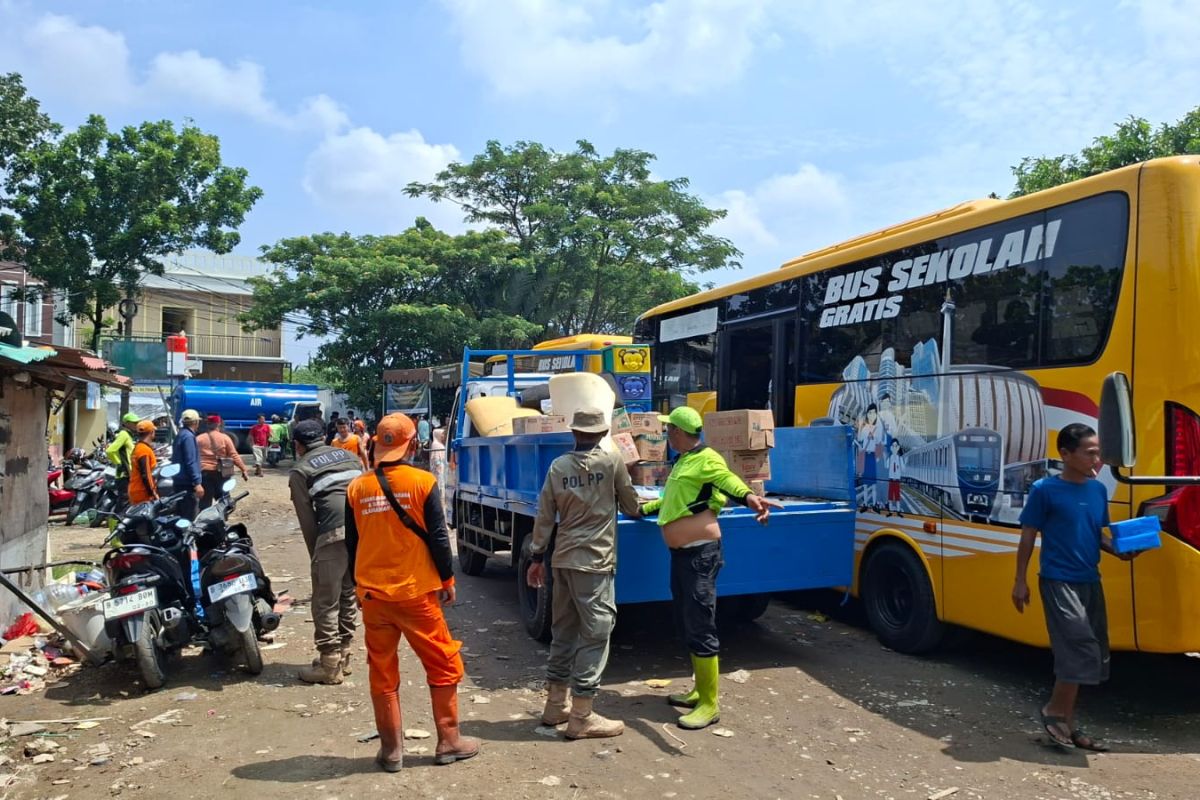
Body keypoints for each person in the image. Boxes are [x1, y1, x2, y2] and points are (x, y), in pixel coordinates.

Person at [344, 413, 479, 771]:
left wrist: (357, 588)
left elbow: (352, 544)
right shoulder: (423, 482)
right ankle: (449, 741)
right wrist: (448, 581)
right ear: (413, 444)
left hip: (373, 598)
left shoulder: (357, 488)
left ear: (376, 443)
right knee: (443, 665)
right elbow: (438, 537)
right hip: (416, 594)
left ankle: (391, 751)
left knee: (382, 672)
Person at [638, 407, 780, 730]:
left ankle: (709, 704)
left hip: (700, 556)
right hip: (682, 557)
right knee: (685, 621)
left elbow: (728, 480)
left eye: (669, 429)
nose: (666, 434)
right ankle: (698, 690)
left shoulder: (707, 459)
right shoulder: (683, 462)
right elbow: (675, 501)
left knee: (701, 624)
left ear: (678, 432)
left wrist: (750, 498)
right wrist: (644, 508)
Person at [1013, 423, 1139, 751]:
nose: (1097, 459)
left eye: (1098, 452)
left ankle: (1068, 722)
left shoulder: (1097, 491)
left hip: (1089, 580)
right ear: (1066, 454)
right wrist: (1020, 580)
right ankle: (1054, 710)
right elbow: (1028, 536)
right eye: (1090, 452)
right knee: (1080, 646)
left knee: (1090, 651)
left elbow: (1098, 535)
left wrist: (1121, 552)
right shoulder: (1044, 490)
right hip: (1057, 580)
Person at [526, 408, 641, 739]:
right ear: (603, 433)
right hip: (594, 563)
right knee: (596, 633)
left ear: (573, 433)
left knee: (563, 630)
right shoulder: (611, 461)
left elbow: (545, 516)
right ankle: (581, 715)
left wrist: (536, 557)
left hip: (561, 561)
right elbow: (631, 504)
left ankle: (554, 706)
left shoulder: (558, 467)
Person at [289, 419, 363, 685]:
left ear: (297, 445)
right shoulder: (351, 458)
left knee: (324, 599)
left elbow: (307, 521)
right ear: (324, 436)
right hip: (361, 534)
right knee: (346, 593)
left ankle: (329, 665)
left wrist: (316, 559)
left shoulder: (301, 470)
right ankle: (345, 655)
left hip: (332, 533)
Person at [197, 415, 250, 510]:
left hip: (204, 473)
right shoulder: (225, 438)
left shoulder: (199, 439)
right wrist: (243, 469)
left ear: (207, 424)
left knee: (205, 502)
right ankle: (222, 520)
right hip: (221, 473)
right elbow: (234, 455)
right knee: (224, 501)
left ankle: (203, 522)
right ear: (219, 424)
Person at [173, 409, 205, 520]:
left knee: (181, 515)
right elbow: (190, 461)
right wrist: (197, 483)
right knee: (189, 516)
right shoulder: (189, 437)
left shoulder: (180, 434)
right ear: (196, 422)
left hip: (179, 481)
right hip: (187, 483)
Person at [106, 412, 139, 503]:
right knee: (124, 501)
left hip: (129, 473)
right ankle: (115, 517)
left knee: (127, 501)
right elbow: (110, 451)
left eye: (137, 422)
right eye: (134, 423)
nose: (136, 424)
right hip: (124, 474)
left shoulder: (129, 435)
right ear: (127, 423)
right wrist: (119, 463)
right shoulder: (124, 434)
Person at [128, 420, 159, 505]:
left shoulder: (138, 447)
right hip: (143, 492)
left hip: (135, 489)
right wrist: (153, 494)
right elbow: (146, 474)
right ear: (152, 432)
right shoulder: (144, 450)